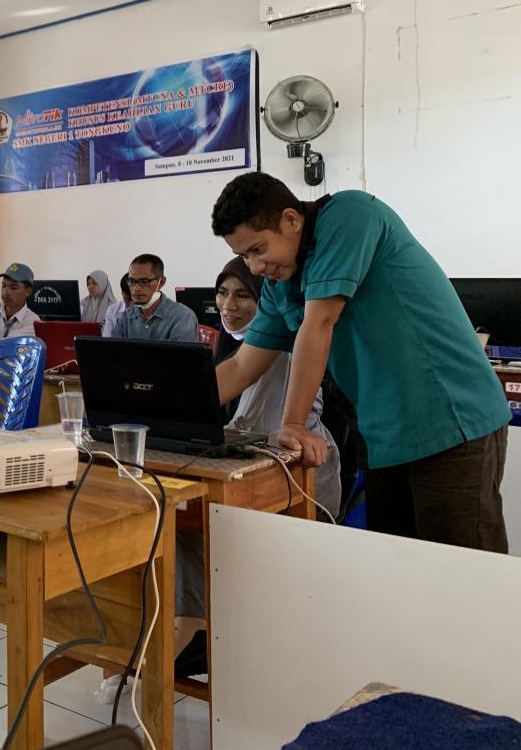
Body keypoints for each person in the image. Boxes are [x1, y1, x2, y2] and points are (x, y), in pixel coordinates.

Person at [211, 172, 511, 551]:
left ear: (290, 219)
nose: (254, 267)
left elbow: (320, 322)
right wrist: (172, 411)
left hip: (450, 422)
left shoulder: (349, 215)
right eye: (244, 256)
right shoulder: (279, 285)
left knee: (466, 570)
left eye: (258, 249)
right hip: (383, 437)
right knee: (397, 569)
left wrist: (294, 424)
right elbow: (242, 367)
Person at [175, 256, 343, 677]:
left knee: (189, 514)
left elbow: (258, 430)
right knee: (179, 515)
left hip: (298, 472)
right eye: (222, 293)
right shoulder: (228, 346)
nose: (228, 305)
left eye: (243, 295)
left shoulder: (281, 350)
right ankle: (196, 626)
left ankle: (203, 629)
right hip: (255, 466)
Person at [110, 254, 198, 341]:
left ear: (161, 282)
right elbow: (113, 349)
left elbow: (182, 351)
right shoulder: (125, 317)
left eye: (144, 282)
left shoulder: (182, 317)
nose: (136, 288)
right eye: (131, 281)